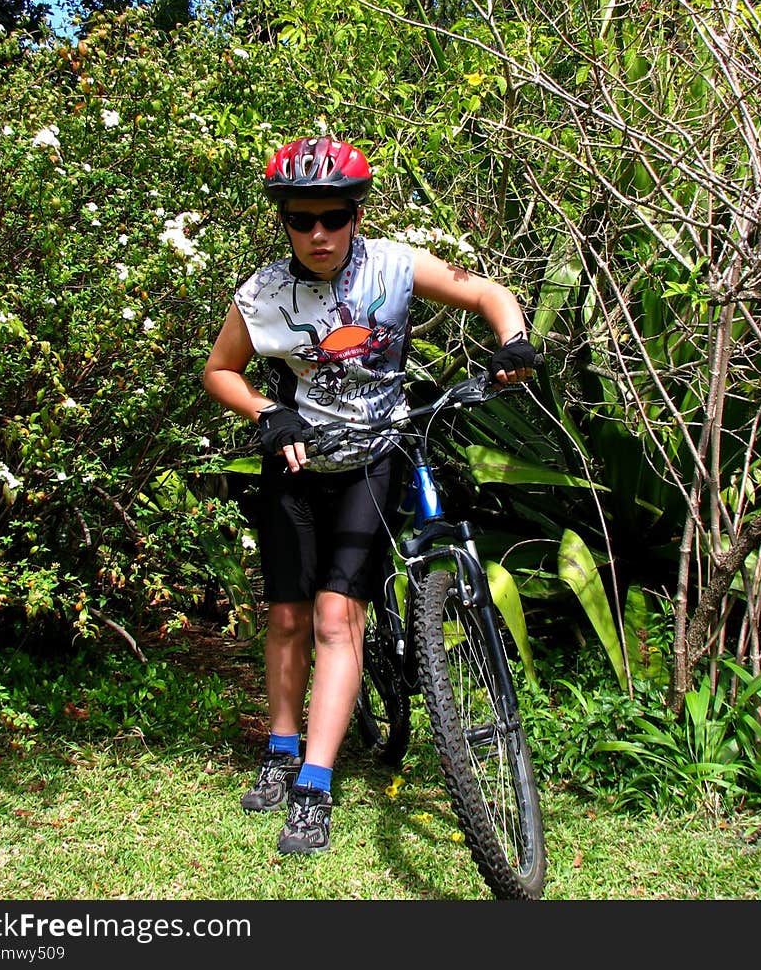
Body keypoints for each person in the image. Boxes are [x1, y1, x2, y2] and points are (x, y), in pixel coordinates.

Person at [202, 134, 538, 856]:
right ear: (283, 220)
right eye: (300, 219)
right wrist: (268, 410)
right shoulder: (262, 293)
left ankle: (315, 785)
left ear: (357, 212)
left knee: (334, 614)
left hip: (372, 462)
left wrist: (512, 338)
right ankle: (282, 745)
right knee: (287, 616)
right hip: (295, 464)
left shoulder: (394, 266)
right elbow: (220, 370)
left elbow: (485, 291)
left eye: (332, 215)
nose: (317, 233)